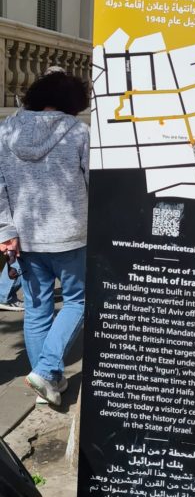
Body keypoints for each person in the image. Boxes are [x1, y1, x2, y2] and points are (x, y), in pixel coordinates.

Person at [0, 71, 90, 407]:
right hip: (71, 237)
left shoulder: (5, 130)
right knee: (78, 302)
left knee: (37, 311)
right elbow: (95, 183)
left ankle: (47, 383)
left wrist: (5, 233)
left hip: (26, 238)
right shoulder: (80, 133)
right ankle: (48, 369)